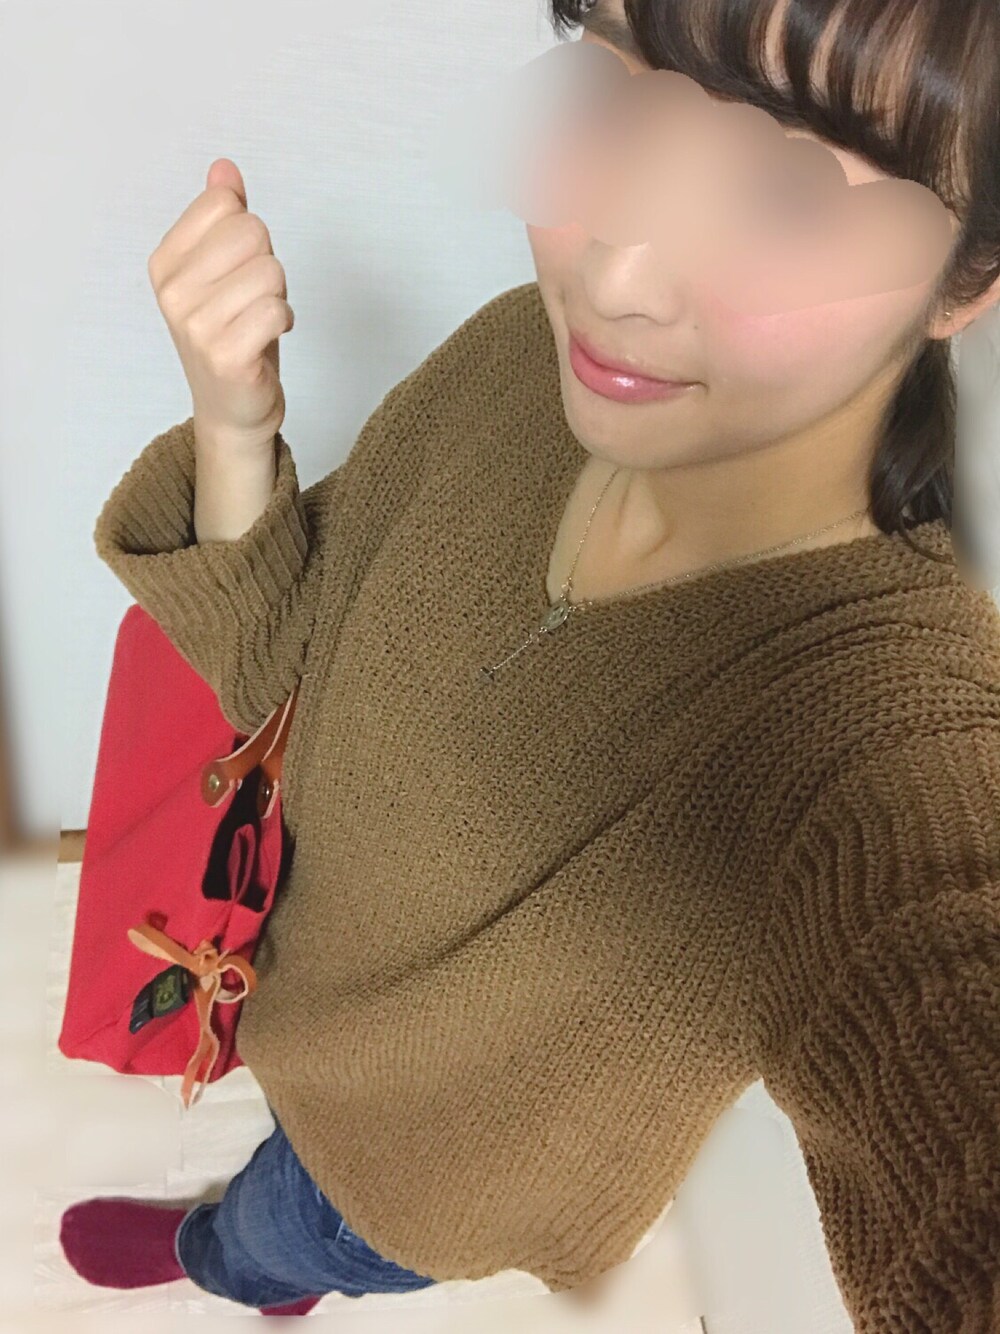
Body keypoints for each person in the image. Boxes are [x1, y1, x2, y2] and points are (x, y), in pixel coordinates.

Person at [62, 0, 1000, 1323]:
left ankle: (231, 1260)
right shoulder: (523, 357)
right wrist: (234, 425)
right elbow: (280, 669)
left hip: (414, 1189)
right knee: (283, 1149)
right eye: (619, 94)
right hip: (285, 1006)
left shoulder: (878, 722)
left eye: (791, 191)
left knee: (282, 1229)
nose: (616, 276)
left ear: (969, 278)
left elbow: (941, 1002)